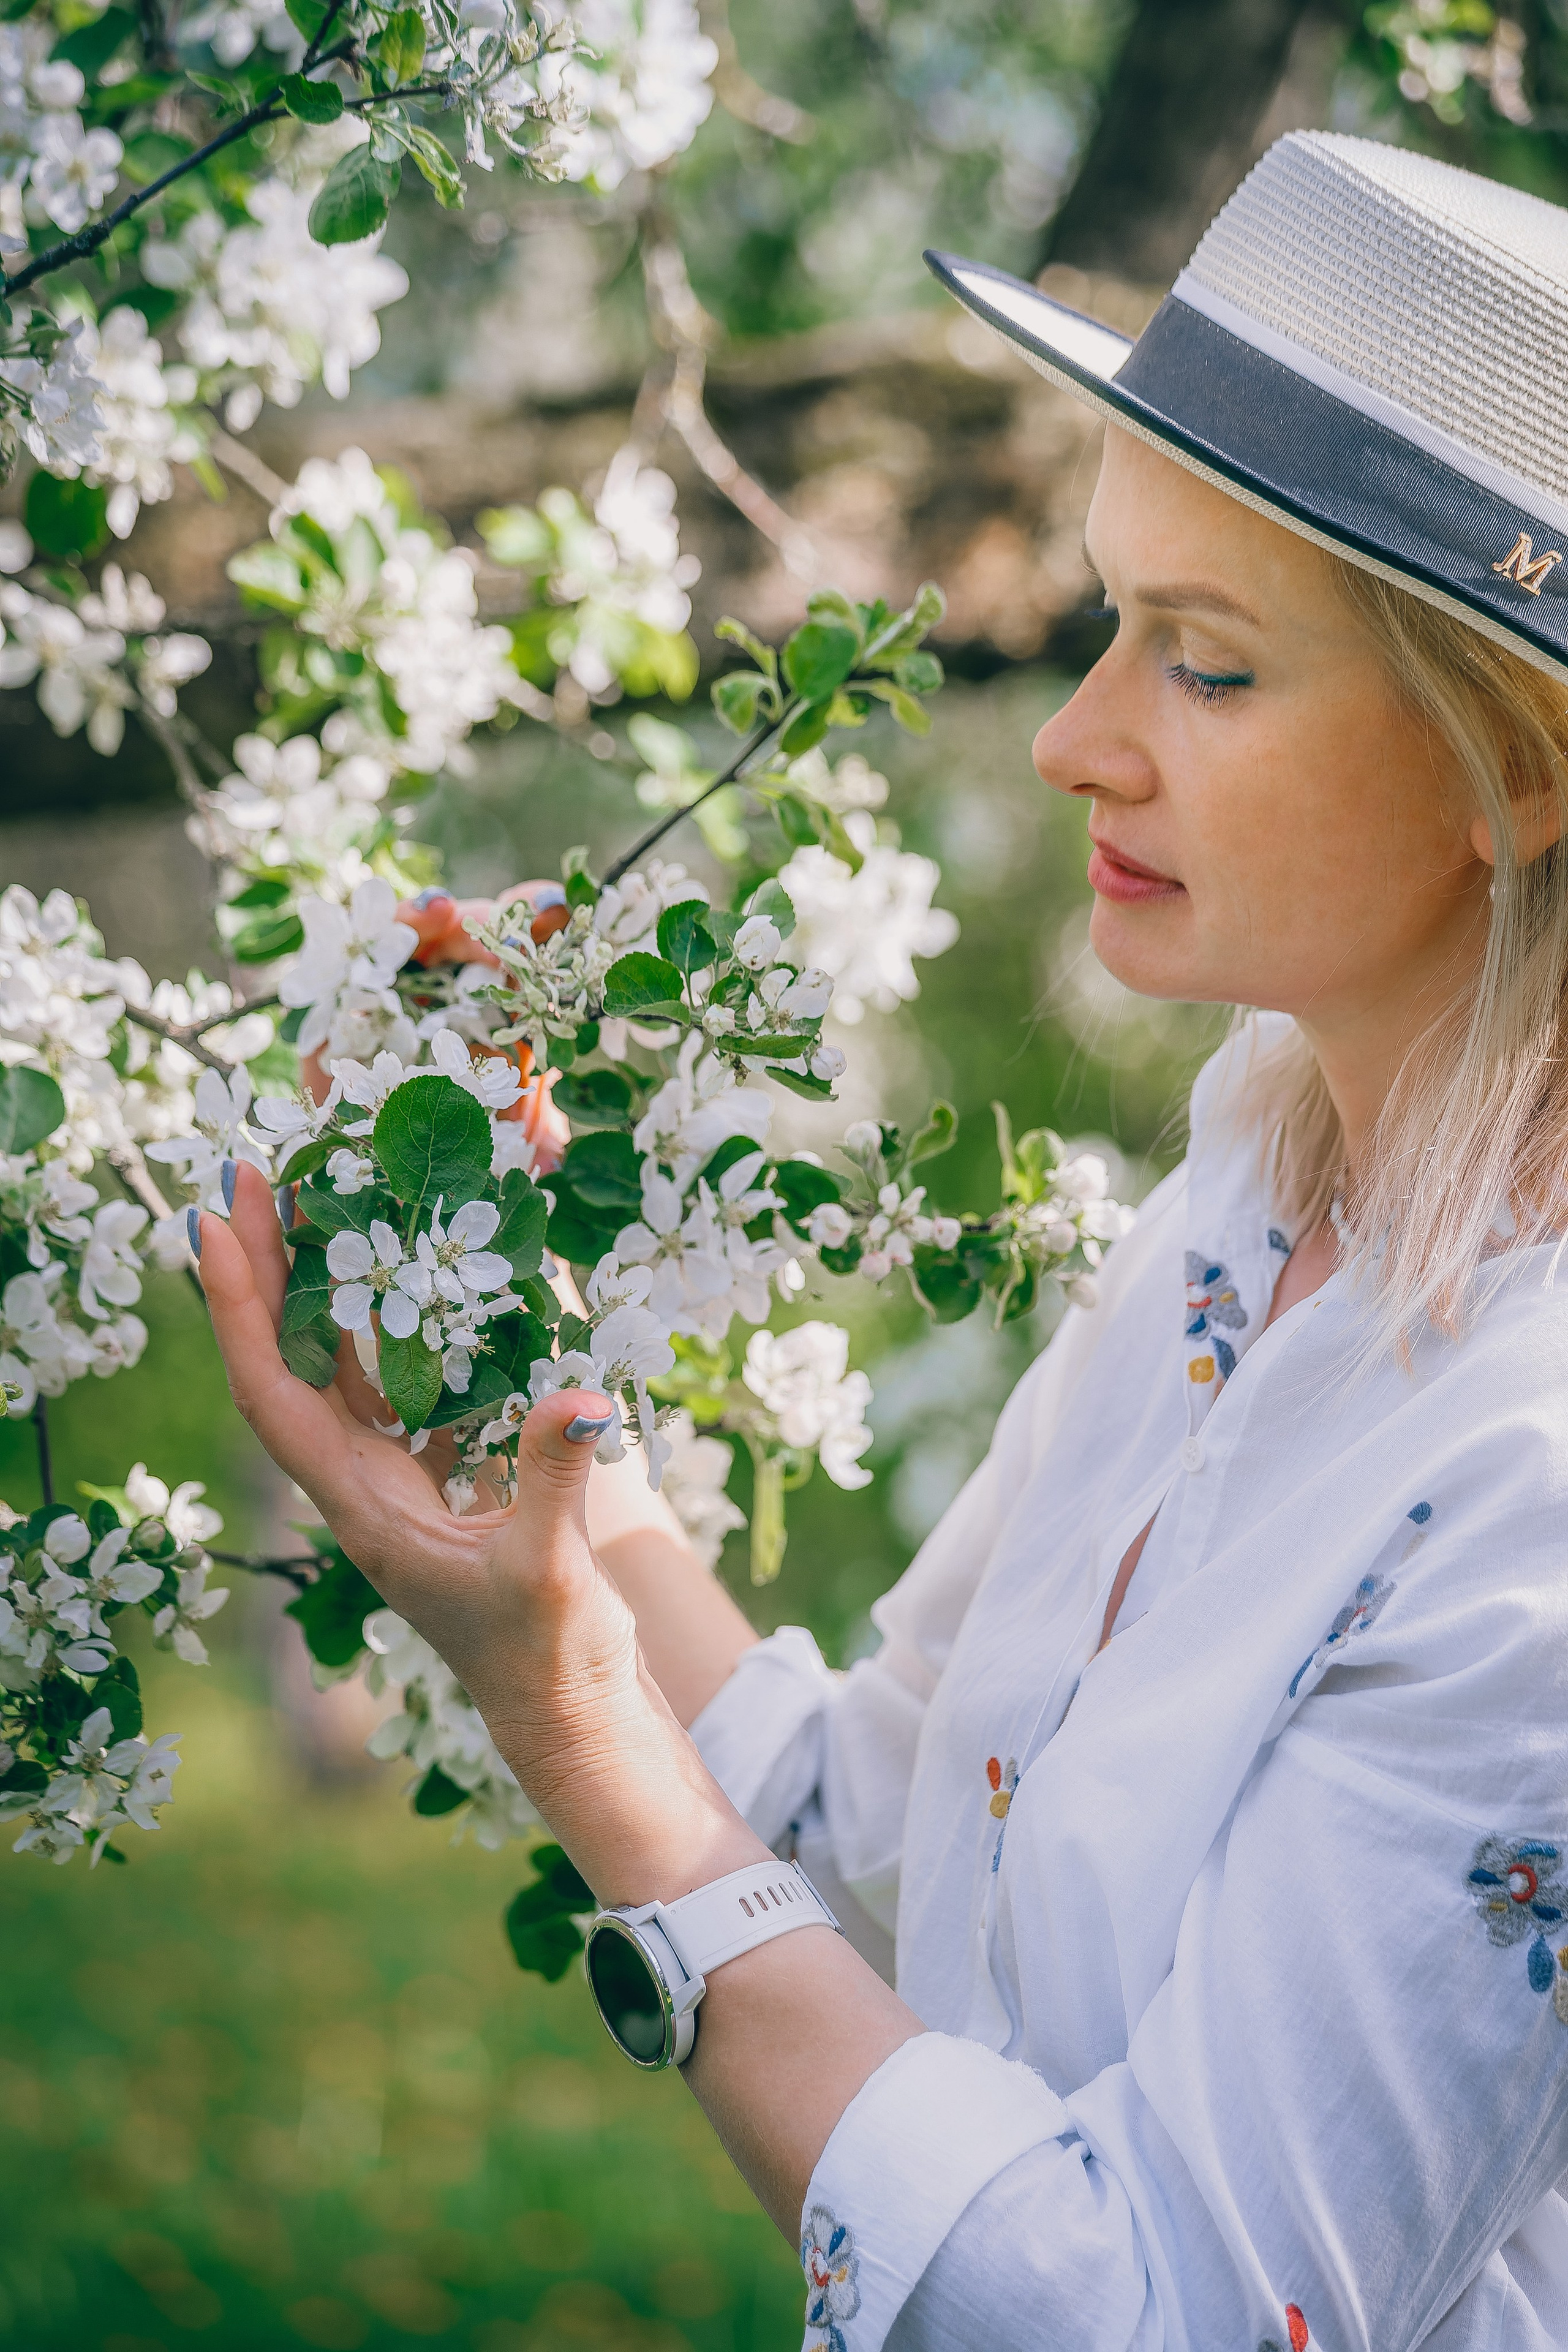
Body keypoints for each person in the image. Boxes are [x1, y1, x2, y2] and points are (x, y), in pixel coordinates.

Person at [193, 132, 1568, 2348]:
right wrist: (537, 1415)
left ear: (1517, 767)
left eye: (1207, 668)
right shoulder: (1252, 1193)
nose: (1076, 744)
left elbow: (1149, 2313)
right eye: (1111, 622)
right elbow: (893, 1830)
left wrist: (572, 1725)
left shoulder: (1535, 1499)